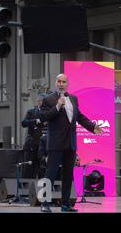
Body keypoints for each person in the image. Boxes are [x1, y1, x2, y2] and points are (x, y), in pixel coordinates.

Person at [39, 74, 102, 213]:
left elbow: (79, 117)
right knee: (50, 174)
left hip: (70, 143)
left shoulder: (73, 98)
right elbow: (44, 117)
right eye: (59, 81)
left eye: (64, 82)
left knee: (68, 175)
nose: (61, 84)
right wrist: (57, 106)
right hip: (55, 143)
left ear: (67, 83)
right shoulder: (48, 99)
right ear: (56, 83)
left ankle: (66, 205)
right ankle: (45, 203)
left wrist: (92, 127)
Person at [21, 93, 48, 178]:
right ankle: (25, 188)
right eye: (42, 101)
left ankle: (42, 189)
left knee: (42, 168)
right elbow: (24, 123)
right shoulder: (31, 111)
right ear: (38, 101)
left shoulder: (49, 112)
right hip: (32, 144)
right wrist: (36, 121)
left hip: (44, 146)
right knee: (28, 168)